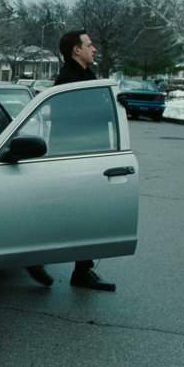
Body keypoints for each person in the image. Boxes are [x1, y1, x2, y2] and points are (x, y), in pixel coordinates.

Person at [25, 29, 116, 292]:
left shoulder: (87, 76)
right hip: (72, 156)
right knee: (63, 211)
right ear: (76, 50)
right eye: (89, 44)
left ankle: (82, 270)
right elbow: (77, 119)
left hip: (87, 154)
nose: (94, 48)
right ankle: (33, 256)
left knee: (86, 213)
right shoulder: (69, 80)